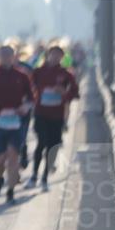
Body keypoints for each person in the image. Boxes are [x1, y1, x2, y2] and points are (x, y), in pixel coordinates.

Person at [0, 45, 34, 205]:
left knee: (13, 156)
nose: (6, 58)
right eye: (2, 56)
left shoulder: (22, 76)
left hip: (16, 123)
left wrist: (26, 106)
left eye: (8, 55)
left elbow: (31, 98)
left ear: (14, 56)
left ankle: (10, 192)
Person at [29, 45, 79, 191]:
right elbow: (29, 89)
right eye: (53, 54)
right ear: (47, 55)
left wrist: (64, 92)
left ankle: (44, 178)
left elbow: (75, 93)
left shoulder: (66, 74)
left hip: (57, 116)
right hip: (41, 113)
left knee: (53, 146)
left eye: (58, 55)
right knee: (41, 143)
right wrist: (33, 98)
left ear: (62, 58)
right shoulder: (38, 72)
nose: (55, 57)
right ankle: (33, 176)